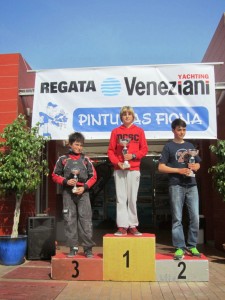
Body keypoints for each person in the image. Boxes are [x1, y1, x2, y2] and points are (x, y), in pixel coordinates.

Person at [158, 118, 201, 260]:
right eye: (179, 129)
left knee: (195, 216)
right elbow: (161, 167)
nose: (181, 132)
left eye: (183, 129)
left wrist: (195, 167)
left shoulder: (190, 145)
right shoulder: (168, 147)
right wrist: (179, 170)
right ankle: (179, 247)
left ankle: (192, 245)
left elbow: (198, 164)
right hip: (176, 184)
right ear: (173, 130)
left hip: (192, 184)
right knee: (177, 218)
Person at [52, 132, 97, 258]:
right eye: (77, 144)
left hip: (83, 193)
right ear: (70, 145)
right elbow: (55, 175)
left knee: (86, 221)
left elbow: (93, 176)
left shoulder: (86, 160)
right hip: (68, 193)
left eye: (81, 145)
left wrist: (84, 187)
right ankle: (73, 247)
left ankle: (88, 248)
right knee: (69, 220)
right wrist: (66, 181)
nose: (79, 147)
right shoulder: (63, 159)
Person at [107, 106, 148, 236]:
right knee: (120, 198)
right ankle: (122, 226)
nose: (127, 116)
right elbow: (110, 151)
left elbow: (144, 149)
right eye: (124, 114)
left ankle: (133, 225)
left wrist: (133, 156)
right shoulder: (115, 131)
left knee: (132, 198)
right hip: (119, 169)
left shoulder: (139, 131)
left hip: (134, 168)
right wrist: (117, 162)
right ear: (121, 117)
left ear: (133, 116)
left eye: (129, 114)